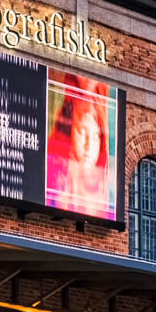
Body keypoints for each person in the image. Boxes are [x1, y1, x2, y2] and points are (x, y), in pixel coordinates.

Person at [44, 74, 114, 217]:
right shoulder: (54, 172)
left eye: (95, 137)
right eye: (82, 132)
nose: (89, 145)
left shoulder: (106, 186)